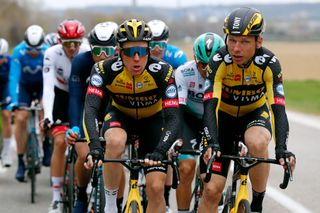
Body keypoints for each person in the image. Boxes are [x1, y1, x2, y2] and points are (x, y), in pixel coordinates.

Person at [200, 7, 296, 213]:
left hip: (253, 114)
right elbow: (209, 106)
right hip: (222, 118)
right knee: (210, 191)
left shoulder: (269, 63)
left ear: (258, 42)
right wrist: (213, 142)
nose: (236, 48)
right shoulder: (218, 61)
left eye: (244, 41)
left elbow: (278, 109)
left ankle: (258, 203)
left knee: (258, 142)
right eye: (232, 40)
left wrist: (282, 149)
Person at [83, 18, 180, 213]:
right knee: (115, 143)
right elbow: (91, 108)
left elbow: (173, 117)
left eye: (142, 51)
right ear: (119, 51)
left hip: (154, 120)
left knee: (155, 188)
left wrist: (161, 150)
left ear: (149, 50)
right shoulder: (104, 69)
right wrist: (94, 145)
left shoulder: (163, 71)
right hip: (121, 115)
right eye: (129, 52)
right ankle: (111, 205)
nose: (137, 58)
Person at [65, 21, 125, 213]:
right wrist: (75, 126)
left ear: (117, 49)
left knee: (115, 158)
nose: (103, 55)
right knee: (84, 154)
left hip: (114, 111)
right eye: (98, 50)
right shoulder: (81, 62)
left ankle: (117, 203)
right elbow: (75, 98)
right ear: (90, 48)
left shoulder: (124, 64)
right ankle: (81, 195)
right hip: (88, 109)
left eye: (108, 50)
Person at [41, 19, 90, 213]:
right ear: (59, 40)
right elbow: (48, 88)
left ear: (82, 41)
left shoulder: (87, 51)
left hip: (82, 97)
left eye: (76, 43)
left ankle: (87, 186)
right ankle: (55, 197)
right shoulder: (51, 53)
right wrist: (48, 116)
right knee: (60, 142)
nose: (72, 47)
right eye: (67, 43)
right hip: (61, 97)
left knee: (83, 144)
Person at [174, 32, 225, 213]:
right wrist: (177, 139)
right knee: (186, 167)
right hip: (189, 121)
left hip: (215, 122)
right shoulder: (183, 72)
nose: (207, 69)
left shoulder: (227, 74)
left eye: (212, 64)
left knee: (209, 178)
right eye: (203, 64)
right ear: (195, 59)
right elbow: (178, 109)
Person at [147, 19, 188, 212]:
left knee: (169, 149)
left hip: (168, 104)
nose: (156, 49)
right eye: (152, 44)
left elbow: (182, 96)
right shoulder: (139, 57)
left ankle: (165, 199)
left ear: (167, 42)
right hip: (144, 105)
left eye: (160, 44)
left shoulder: (177, 57)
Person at [9, 25, 48, 181]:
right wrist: (14, 102)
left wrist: (46, 100)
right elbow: (13, 78)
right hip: (24, 87)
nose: (33, 52)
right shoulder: (18, 52)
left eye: (37, 49)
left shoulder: (47, 51)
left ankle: (46, 143)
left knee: (45, 111)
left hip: (42, 86)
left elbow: (50, 79)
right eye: (30, 49)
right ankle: (20, 162)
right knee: (20, 118)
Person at [0, 38, 13, 167]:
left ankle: (7, 151)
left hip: (5, 89)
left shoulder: (9, 61)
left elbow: (15, 79)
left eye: (1, 57)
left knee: (6, 115)